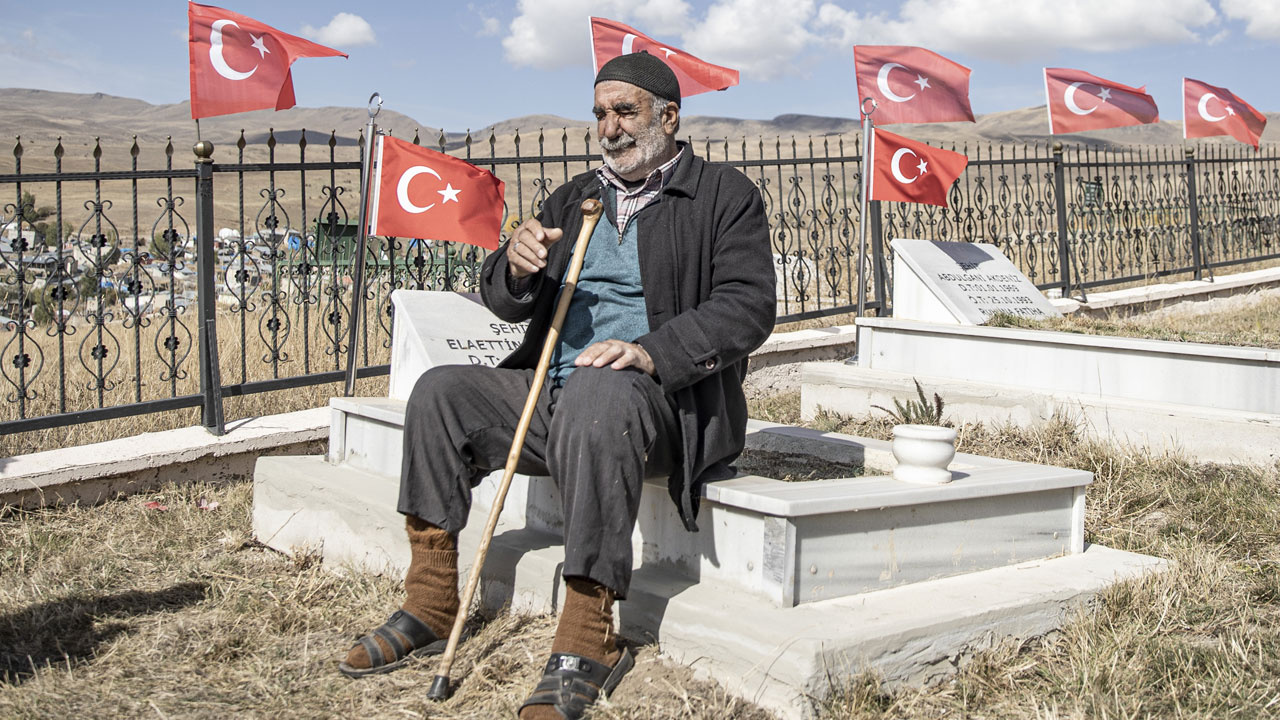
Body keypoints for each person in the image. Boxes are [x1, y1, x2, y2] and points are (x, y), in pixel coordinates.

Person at [339, 51, 775, 719]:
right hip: (555, 398)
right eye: (600, 114)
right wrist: (514, 269)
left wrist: (649, 352)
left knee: (601, 395)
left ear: (668, 116)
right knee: (441, 394)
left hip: (658, 408)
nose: (609, 127)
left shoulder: (723, 195)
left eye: (625, 112)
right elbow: (507, 302)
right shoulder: (577, 198)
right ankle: (429, 601)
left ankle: (587, 635)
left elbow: (747, 306)